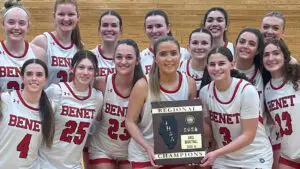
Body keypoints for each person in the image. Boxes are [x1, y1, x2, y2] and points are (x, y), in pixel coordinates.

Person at [126, 36, 196, 169]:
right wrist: (147, 147)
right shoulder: (143, 85)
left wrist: (193, 150)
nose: (169, 59)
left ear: (180, 56)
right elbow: (130, 121)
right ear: (155, 59)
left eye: (173, 53)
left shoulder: (190, 83)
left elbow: (190, 122)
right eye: (163, 54)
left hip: (176, 152)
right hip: (145, 153)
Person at [199, 47, 273, 168]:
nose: (216, 68)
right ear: (207, 67)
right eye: (212, 64)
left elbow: (248, 135)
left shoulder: (247, 90)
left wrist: (215, 153)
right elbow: (210, 132)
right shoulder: (204, 92)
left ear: (232, 65)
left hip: (254, 156)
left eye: (221, 63)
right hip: (224, 157)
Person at [37, 50, 103, 169]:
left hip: (73, 165)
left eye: (90, 69)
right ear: (72, 69)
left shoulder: (97, 98)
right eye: (81, 67)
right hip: (45, 163)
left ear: (95, 72)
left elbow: (92, 131)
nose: (85, 72)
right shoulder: (56, 91)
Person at [87, 39, 143, 169]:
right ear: (113, 59)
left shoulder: (142, 87)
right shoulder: (101, 83)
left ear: (138, 60)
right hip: (102, 149)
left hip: (130, 151)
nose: (123, 61)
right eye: (119, 57)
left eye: (129, 57)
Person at [0, 58, 55, 168]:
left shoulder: (50, 108)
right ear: (22, 77)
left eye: (39, 75)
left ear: (46, 79)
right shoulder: (6, 100)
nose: (34, 78)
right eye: (29, 74)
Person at [263, 39, 300, 169]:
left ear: (285, 56)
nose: (271, 58)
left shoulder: (298, 77)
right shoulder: (266, 90)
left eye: (276, 53)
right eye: (266, 54)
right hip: (288, 155)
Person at [31, 0, 82, 87]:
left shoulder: (79, 46)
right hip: (45, 99)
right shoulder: (42, 41)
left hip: (69, 100)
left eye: (71, 14)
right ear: (54, 16)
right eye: (61, 14)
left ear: (78, 17)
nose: (66, 19)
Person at [0, 0, 45, 91]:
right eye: (11, 22)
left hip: (29, 105)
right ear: (3, 24)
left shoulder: (39, 53)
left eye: (21, 23)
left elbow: (40, 89)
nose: (16, 27)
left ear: (28, 26)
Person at [141, 9, 190, 74]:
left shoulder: (185, 54)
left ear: (168, 28)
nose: (154, 31)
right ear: (145, 30)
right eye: (150, 27)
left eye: (159, 26)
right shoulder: (141, 57)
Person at [179, 27, 213, 97]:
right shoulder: (178, 67)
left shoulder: (216, 70)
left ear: (211, 48)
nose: (199, 47)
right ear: (188, 47)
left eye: (204, 43)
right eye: (195, 43)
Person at [91, 10, 122, 78]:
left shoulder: (128, 58)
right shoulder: (90, 56)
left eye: (114, 25)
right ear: (99, 29)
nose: (109, 29)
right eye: (105, 25)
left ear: (120, 30)